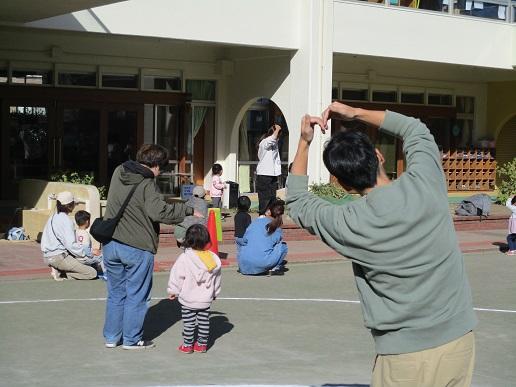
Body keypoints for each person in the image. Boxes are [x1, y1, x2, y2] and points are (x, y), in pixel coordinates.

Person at [286, 103, 477, 387]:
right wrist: (354, 113)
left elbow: (298, 201)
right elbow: (415, 128)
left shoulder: (351, 223)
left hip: (404, 356)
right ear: (379, 156)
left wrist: (304, 142)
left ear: (340, 184)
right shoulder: (426, 182)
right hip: (459, 343)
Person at [103, 144, 198, 350]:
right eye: (160, 168)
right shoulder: (147, 183)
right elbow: (159, 212)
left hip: (110, 243)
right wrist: (187, 210)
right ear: (155, 165)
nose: (160, 172)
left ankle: (111, 336)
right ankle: (131, 339)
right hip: (136, 245)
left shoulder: (119, 171)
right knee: (137, 294)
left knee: (116, 293)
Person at [167, 224, 222, 354]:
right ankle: (202, 344)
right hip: (205, 298)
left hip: (188, 298)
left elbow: (177, 275)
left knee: (189, 323)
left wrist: (173, 290)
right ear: (207, 240)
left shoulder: (185, 257)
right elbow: (217, 278)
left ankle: (187, 345)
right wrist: (215, 292)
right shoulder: (213, 259)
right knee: (204, 322)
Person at [41, 191, 97, 281]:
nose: (75, 205)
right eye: (73, 203)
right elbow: (71, 245)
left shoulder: (52, 217)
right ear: (69, 205)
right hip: (59, 257)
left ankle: (58, 269)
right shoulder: (66, 220)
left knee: (80, 263)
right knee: (92, 273)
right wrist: (86, 252)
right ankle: (64, 273)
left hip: (47, 256)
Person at [236, 198, 288, 276]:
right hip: (261, 263)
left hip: (243, 265)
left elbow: (244, 239)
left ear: (268, 211)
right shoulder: (276, 228)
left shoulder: (254, 221)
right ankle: (273, 268)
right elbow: (278, 242)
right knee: (283, 246)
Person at [256, 124, 282, 215]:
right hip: (264, 175)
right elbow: (271, 139)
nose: (278, 138)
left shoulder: (274, 143)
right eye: (278, 135)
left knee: (272, 200)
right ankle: (262, 219)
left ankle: (271, 221)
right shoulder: (264, 142)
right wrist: (277, 129)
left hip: (272, 175)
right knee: (264, 200)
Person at [74, 210, 106, 280]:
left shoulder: (76, 232)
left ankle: (96, 271)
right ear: (87, 222)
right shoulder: (85, 233)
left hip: (77, 256)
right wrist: (92, 253)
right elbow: (86, 248)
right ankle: (106, 274)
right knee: (101, 257)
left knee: (95, 258)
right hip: (84, 257)